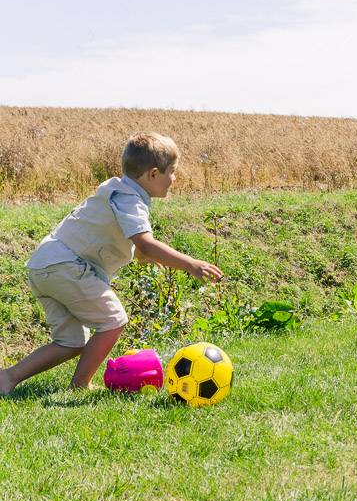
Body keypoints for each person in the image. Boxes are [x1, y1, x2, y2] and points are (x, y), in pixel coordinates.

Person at [0, 132, 223, 395]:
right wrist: (190, 264)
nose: (174, 179)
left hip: (45, 266)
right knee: (113, 321)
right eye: (172, 172)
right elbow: (145, 243)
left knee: (71, 341)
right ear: (153, 174)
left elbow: (130, 242)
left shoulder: (119, 190)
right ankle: (80, 386)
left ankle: (7, 378)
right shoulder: (130, 200)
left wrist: (144, 256)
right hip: (67, 267)